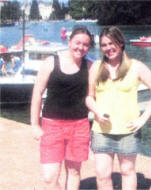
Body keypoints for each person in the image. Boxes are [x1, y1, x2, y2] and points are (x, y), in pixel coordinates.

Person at [86, 26, 151, 190]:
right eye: (104, 45)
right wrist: (96, 111)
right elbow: (89, 97)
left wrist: (143, 119)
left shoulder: (136, 66)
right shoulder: (96, 67)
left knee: (127, 171)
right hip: (101, 131)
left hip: (128, 131)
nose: (108, 48)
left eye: (112, 43)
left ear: (121, 43)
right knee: (102, 174)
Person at [31, 26, 93, 190]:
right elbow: (37, 93)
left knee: (73, 172)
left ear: (89, 47)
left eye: (86, 45)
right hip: (52, 126)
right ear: (69, 41)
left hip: (79, 126)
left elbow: (94, 95)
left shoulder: (90, 67)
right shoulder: (51, 62)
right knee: (49, 177)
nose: (81, 47)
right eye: (77, 42)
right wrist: (35, 125)